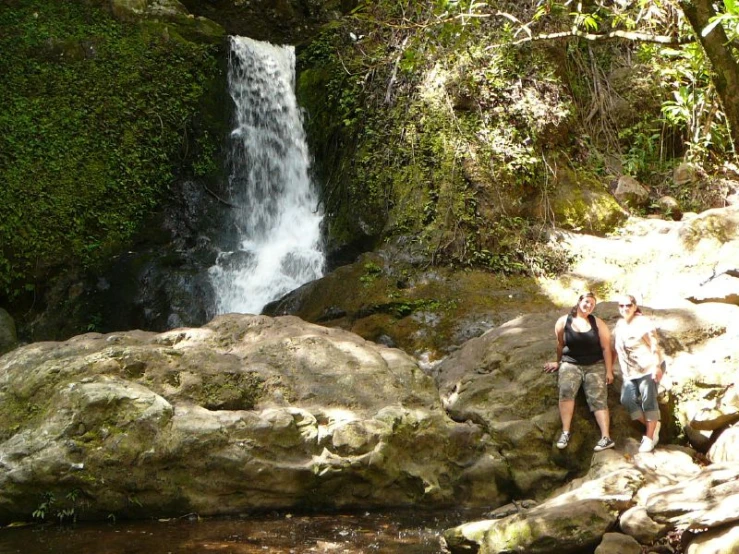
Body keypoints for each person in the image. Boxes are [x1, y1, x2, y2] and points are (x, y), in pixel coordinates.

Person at [543, 292, 615, 451]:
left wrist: (609, 371)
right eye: (587, 302)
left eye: (592, 304)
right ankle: (566, 432)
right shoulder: (563, 321)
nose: (589, 306)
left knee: (598, 397)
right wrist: (559, 361)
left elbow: (606, 348)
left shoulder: (597, 323)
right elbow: (560, 344)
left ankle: (605, 437)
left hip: (595, 364)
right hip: (571, 363)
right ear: (579, 301)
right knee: (566, 391)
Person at [613, 295, 663, 453]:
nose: (625, 308)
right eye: (621, 306)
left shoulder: (643, 323)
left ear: (634, 306)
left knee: (649, 400)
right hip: (630, 373)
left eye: (628, 305)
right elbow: (615, 347)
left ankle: (649, 438)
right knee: (627, 400)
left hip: (647, 369)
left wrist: (657, 367)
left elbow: (654, 345)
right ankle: (654, 425)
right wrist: (608, 368)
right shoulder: (620, 324)